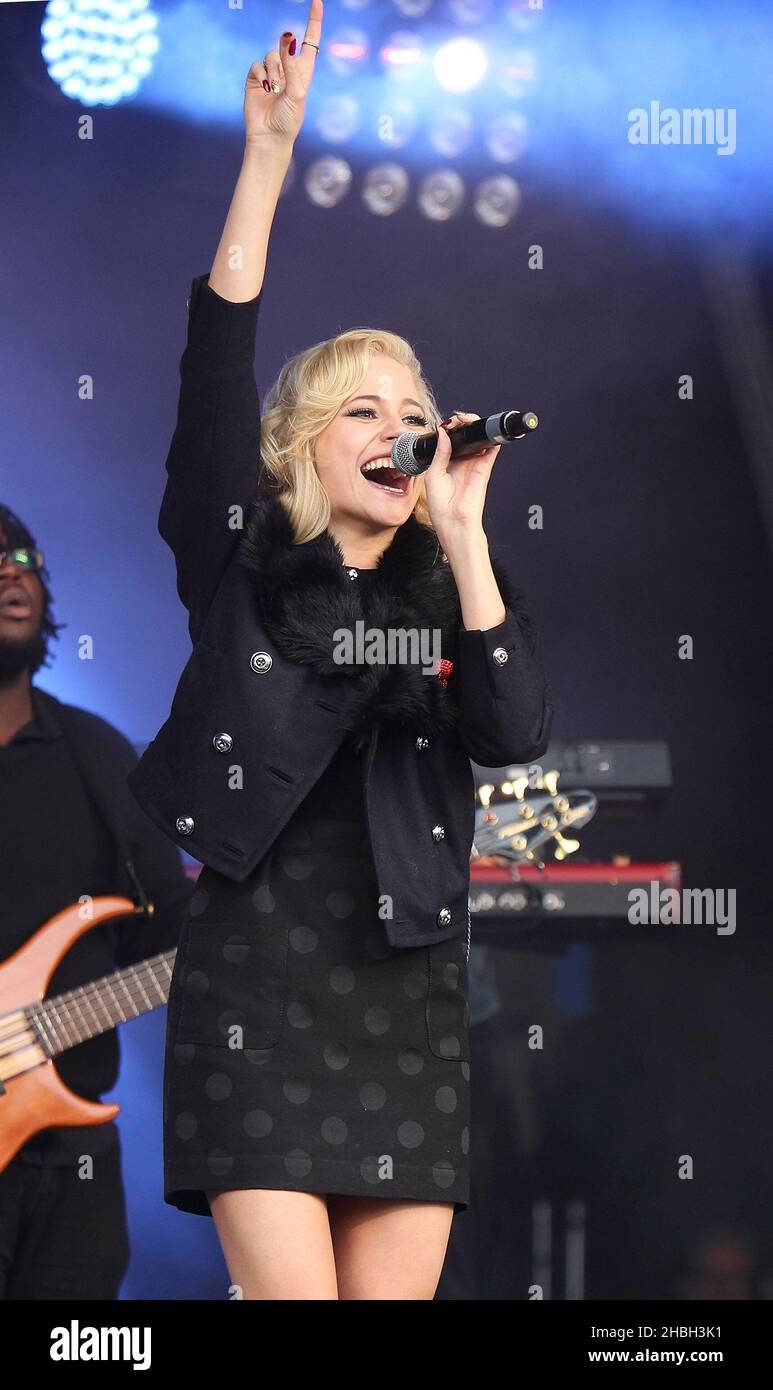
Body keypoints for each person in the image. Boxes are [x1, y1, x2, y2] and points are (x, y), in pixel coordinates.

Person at [127, 0, 553, 1300]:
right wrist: (266, 154)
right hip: (255, 978)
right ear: (302, 448)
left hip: (407, 978)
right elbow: (215, 368)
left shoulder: (446, 578)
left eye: (412, 412)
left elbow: (512, 730)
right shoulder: (241, 552)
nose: (395, 427)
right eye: (359, 409)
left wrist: (467, 529)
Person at [0, 505, 192, 1300]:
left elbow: (174, 941)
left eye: (22, 557)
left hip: (69, 1162)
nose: (10, 572)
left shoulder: (97, 755)